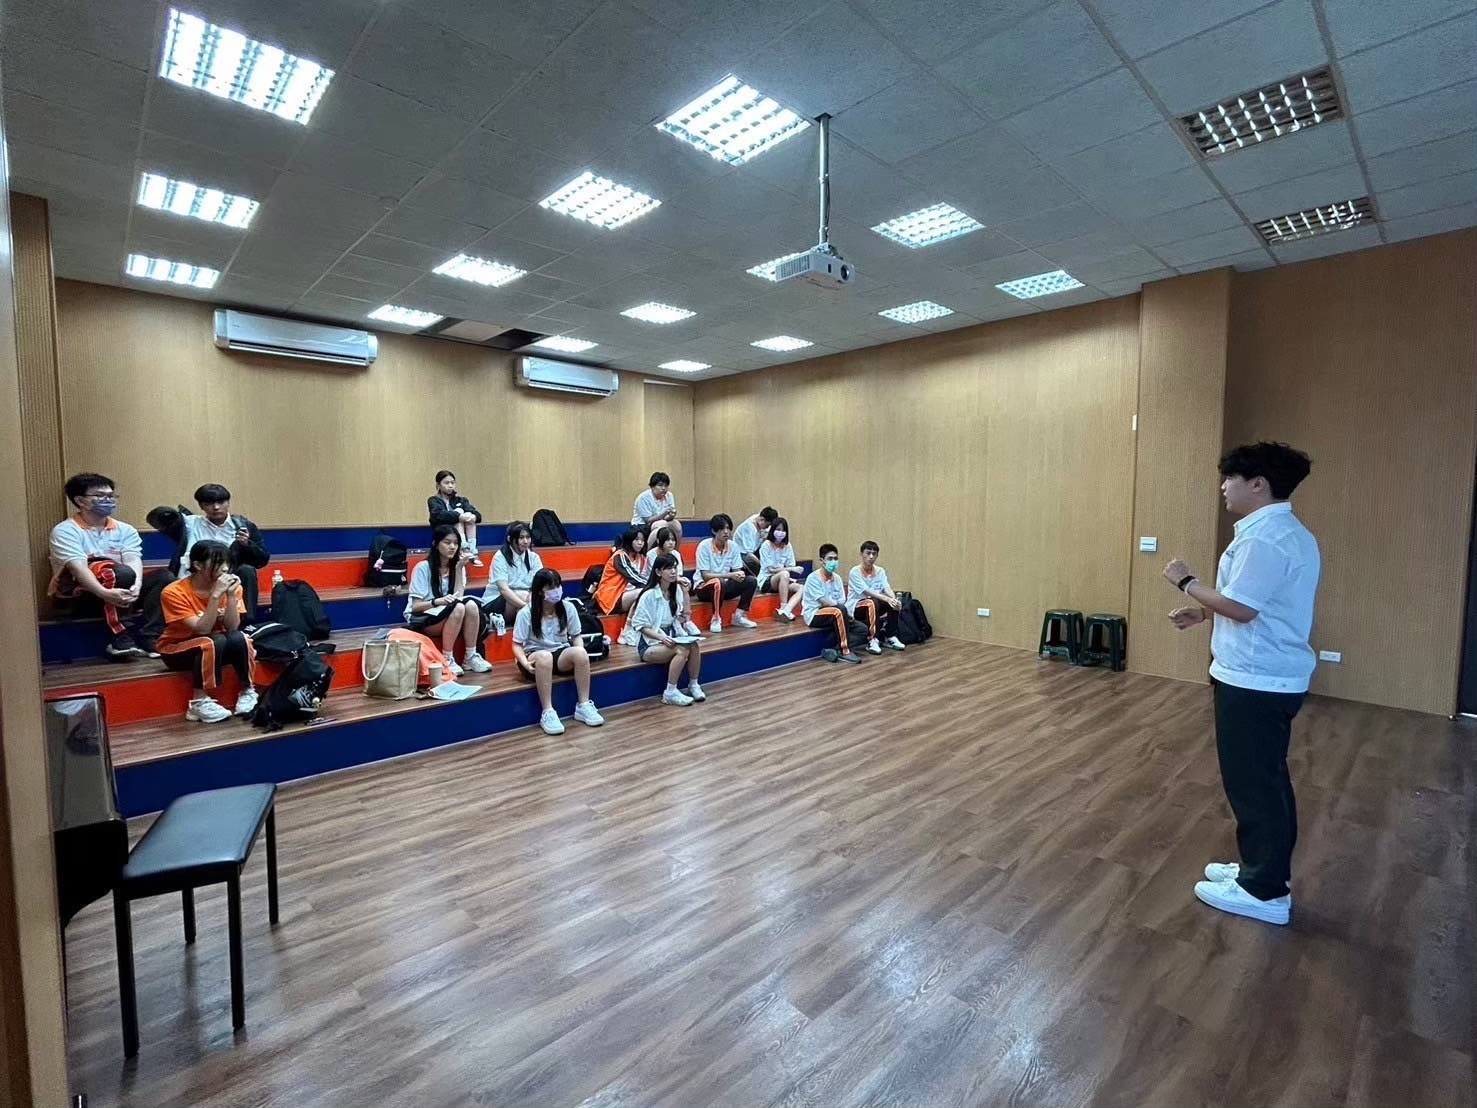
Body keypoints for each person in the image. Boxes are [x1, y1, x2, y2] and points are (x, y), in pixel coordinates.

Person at [1164, 442, 1319, 927]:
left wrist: (1186, 582)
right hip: (1266, 676)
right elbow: (1255, 604)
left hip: (1255, 681)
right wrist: (1205, 614)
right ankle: (1261, 869)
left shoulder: (1264, 539)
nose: (1223, 487)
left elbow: (1244, 608)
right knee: (1265, 779)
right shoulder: (1282, 533)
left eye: (1230, 478)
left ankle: (1264, 891)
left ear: (1258, 484)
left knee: (1255, 785)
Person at [48, 472, 149, 659]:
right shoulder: (65, 531)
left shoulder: (125, 529)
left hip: (121, 588)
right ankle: (120, 638)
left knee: (164, 579)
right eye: (100, 496)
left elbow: (133, 559)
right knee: (114, 571)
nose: (108, 500)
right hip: (81, 595)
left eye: (111, 496)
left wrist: (137, 585)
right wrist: (103, 592)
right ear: (80, 501)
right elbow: (78, 568)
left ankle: (151, 637)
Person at [156, 540, 258, 722]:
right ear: (198, 565)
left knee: (239, 637)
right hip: (176, 649)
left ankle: (247, 692)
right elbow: (202, 629)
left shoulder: (233, 588)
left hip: (215, 646)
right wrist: (216, 596)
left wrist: (231, 596)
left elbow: (232, 627)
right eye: (218, 563)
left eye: (227, 562)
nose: (225, 568)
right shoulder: (174, 592)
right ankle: (198, 702)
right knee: (211, 641)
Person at [512, 568, 605, 735]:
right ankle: (547, 711)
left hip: (559, 653)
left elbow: (576, 636)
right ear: (540, 591)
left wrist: (580, 652)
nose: (556, 591)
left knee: (580, 653)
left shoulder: (568, 608)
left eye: (558, 586)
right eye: (550, 587)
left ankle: (583, 705)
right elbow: (517, 645)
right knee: (545, 657)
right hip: (534, 655)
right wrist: (525, 663)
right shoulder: (526, 613)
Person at [404, 525, 492, 675]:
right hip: (424, 617)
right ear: (436, 544)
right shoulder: (423, 567)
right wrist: (438, 601)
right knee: (459, 608)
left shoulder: (457, 567)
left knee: (470, 605)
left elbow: (459, 597)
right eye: (447, 542)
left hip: (449, 614)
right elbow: (415, 607)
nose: (452, 547)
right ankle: (447, 658)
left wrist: (458, 569)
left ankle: (470, 656)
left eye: (456, 543)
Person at [177, 484, 270, 616]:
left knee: (247, 570)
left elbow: (262, 560)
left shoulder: (243, 526)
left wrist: (247, 545)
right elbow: (163, 519)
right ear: (201, 506)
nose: (216, 507)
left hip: (228, 574)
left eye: (221, 502)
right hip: (196, 576)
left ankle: (246, 621)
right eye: (209, 503)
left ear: (228, 503)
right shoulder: (190, 524)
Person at [628, 553, 706, 705]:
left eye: (675, 568)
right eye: (669, 568)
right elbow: (639, 625)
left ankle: (694, 685)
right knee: (681, 650)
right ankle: (670, 692)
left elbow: (682, 616)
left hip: (671, 636)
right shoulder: (648, 595)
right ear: (658, 572)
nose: (673, 571)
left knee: (694, 646)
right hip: (649, 644)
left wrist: (684, 595)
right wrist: (661, 638)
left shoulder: (675, 591)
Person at [694, 513, 758, 634]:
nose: (726, 532)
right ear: (714, 531)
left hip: (724, 586)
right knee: (719, 582)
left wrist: (740, 575)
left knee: (751, 581)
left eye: (728, 528)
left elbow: (737, 571)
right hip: (704, 588)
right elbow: (705, 576)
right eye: (722, 529)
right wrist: (730, 575)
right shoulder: (704, 546)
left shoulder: (733, 546)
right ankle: (715, 619)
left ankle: (739, 616)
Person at [802, 543, 863, 664]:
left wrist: (844, 612)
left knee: (862, 629)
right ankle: (845, 651)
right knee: (839, 610)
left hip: (835, 612)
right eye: (830, 559)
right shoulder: (813, 578)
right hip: (815, 614)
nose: (833, 562)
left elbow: (841, 601)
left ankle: (834, 650)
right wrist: (843, 611)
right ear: (822, 561)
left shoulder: (838, 578)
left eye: (836, 558)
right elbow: (824, 602)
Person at [595, 528, 651, 646]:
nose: (640, 543)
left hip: (628, 595)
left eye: (642, 540)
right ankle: (626, 632)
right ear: (629, 540)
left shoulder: (641, 558)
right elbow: (633, 577)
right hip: (610, 597)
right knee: (643, 592)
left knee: (648, 594)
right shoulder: (619, 556)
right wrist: (653, 585)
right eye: (637, 540)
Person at [485, 520, 542, 635]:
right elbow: (504, 590)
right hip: (497, 601)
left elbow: (538, 585)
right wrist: (528, 607)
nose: (525, 541)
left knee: (538, 598)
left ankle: (526, 641)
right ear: (509, 539)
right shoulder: (500, 557)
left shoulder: (534, 557)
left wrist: (529, 603)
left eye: (528, 537)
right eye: (521, 538)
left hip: (525, 600)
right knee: (523, 597)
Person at [848, 541, 906, 653]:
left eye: (874, 554)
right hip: (856, 607)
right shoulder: (854, 572)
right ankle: (872, 640)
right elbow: (867, 591)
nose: (871, 557)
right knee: (872, 601)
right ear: (861, 554)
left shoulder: (880, 571)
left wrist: (893, 599)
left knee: (893, 602)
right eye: (868, 553)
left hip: (874, 605)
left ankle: (890, 636)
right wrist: (887, 598)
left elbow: (886, 588)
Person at [650, 525, 702, 636]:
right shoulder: (651, 555)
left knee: (683, 585)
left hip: (671, 581)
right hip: (654, 583)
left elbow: (677, 574)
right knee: (675, 585)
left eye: (673, 540)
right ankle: (675, 620)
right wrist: (677, 580)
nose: (671, 543)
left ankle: (687, 621)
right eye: (667, 540)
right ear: (659, 541)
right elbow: (655, 576)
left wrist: (681, 580)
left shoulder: (676, 554)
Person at [427, 470, 483, 566]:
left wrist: (473, 516)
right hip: (442, 531)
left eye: (452, 483)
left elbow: (478, 515)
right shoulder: (433, 500)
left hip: (460, 532)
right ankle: (464, 548)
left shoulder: (461, 500)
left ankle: (472, 550)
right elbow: (438, 515)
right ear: (438, 485)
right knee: (458, 514)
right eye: (446, 483)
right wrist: (459, 516)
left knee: (469, 515)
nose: (450, 486)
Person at [756, 517, 804, 621]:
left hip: (783, 581)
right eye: (778, 529)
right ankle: (783, 606)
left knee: (801, 588)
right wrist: (790, 569)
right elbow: (771, 570)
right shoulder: (765, 546)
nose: (781, 533)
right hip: (767, 580)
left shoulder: (788, 546)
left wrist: (790, 569)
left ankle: (786, 610)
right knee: (785, 573)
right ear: (772, 530)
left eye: (783, 530)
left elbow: (790, 564)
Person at [631, 471, 682, 543]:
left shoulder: (669, 495)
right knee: (662, 524)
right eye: (660, 485)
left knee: (676, 524)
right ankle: (650, 549)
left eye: (666, 486)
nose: (663, 488)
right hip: (642, 526)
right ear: (652, 487)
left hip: (660, 521)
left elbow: (667, 517)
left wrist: (672, 515)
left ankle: (674, 549)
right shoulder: (644, 497)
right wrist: (664, 514)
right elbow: (647, 520)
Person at [734, 506, 778, 574]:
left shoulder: (758, 518)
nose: (767, 528)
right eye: (767, 526)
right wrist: (763, 564)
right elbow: (749, 554)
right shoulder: (749, 528)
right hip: (743, 554)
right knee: (753, 564)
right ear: (762, 520)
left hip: (755, 549)